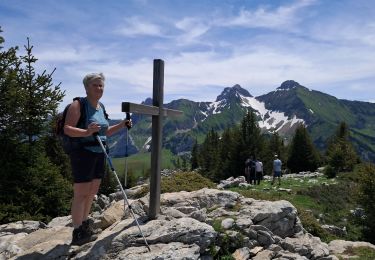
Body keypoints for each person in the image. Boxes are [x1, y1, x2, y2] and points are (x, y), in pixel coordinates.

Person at [64, 73, 132, 246]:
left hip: (100, 152)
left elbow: (105, 132)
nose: (99, 88)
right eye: (95, 85)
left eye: (101, 85)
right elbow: (67, 129)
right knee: (81, 193)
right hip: (83, 153)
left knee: (92, 193)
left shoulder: (100, 107)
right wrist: (86, 132)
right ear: (87, 87)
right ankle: (77, 231)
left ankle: (85, 225)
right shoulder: (78, 105)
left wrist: (122, 125)